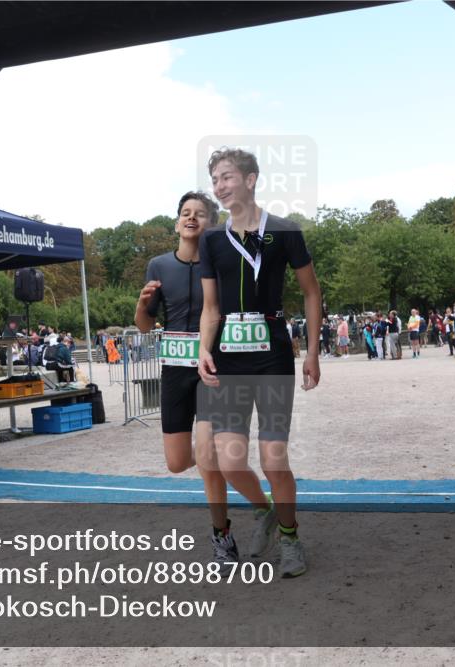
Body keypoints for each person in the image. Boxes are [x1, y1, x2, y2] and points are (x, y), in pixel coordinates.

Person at [198, 147, 321, 578]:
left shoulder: (285, 232)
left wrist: (312, 352)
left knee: (273, 460)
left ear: (250, 179)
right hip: (228, 361)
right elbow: (211, 307)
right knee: (230, 462)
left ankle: (290, 539)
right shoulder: (212, 240)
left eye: (227, 177)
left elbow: (311, 291)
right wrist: (204, 349)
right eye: (215, 179)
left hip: (272, 357)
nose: (219, 186)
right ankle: (268, 512)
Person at [135, 190, 252, 562]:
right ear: (176, 224)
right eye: (185, 213)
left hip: (212, 367)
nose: (191, 218)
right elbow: (144, 325)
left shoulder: (221, 266)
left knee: (207, 456)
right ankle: (243, 499)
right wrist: (141, 305)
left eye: (200, 214)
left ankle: (222, 536)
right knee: (177, 462)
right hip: (174, 369)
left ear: (212, 226)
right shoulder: (158, 265)